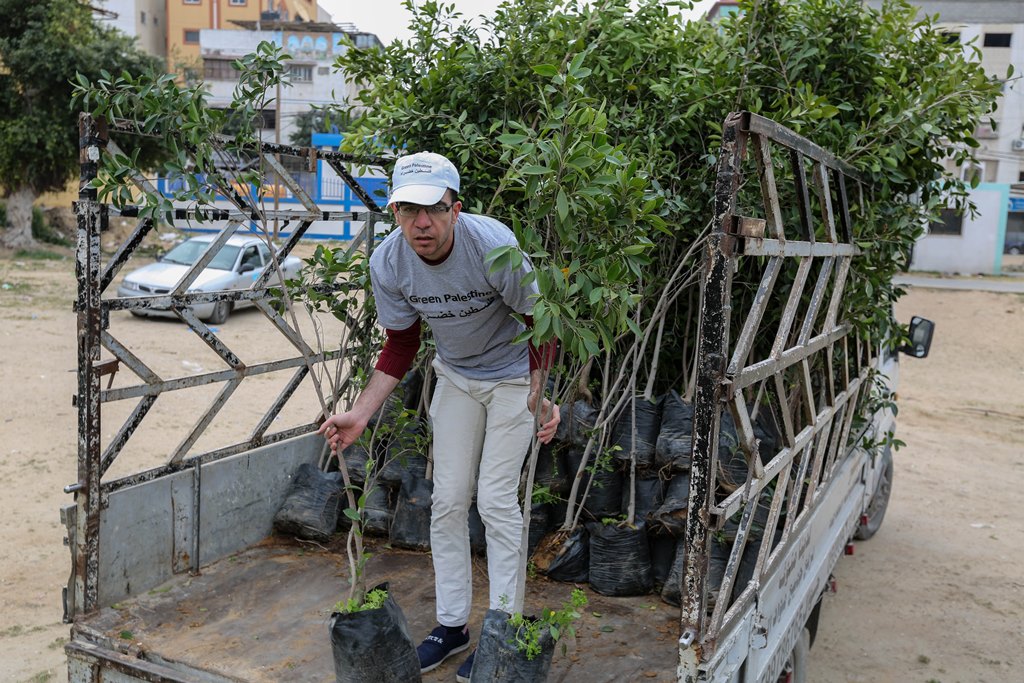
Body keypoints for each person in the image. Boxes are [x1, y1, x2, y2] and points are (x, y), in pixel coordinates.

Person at [318, 151, 560, 682]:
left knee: (496, 500)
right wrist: (360, 413)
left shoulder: (492, 245)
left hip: (512, 378)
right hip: (456, 376)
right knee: (447, 500)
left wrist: (538, 393)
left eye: (433, 209)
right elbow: (401, 344)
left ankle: (502, 630)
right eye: (408, 209)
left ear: (456, 209)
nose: (421, 222)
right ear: (395, 211)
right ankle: (452, 626)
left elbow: (539, 320)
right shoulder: (389, 262)